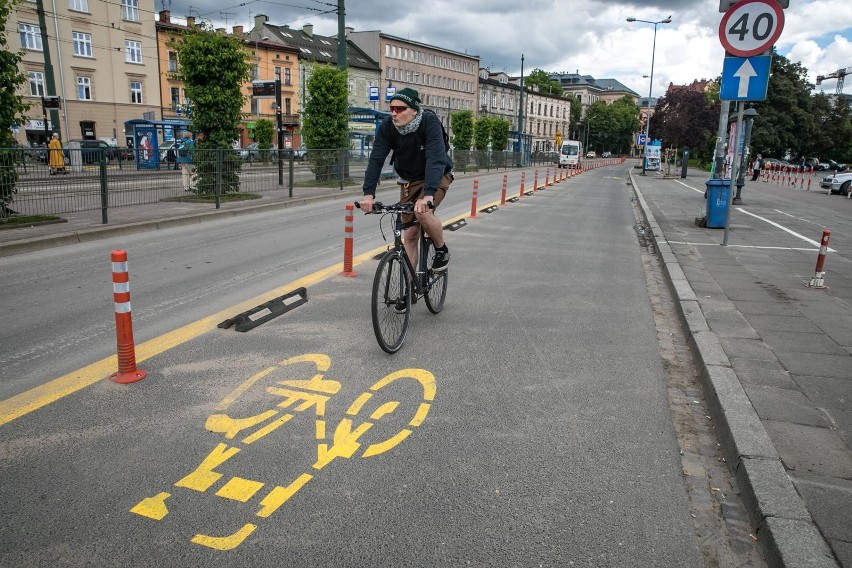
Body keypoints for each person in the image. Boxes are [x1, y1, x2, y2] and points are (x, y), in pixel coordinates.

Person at [359, 88, 453, 276]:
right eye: (392, 108)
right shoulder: (387, 126)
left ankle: (441, 250)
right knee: (409, 234)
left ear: (414, 110)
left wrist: (427, 196)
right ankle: (408, 289)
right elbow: (377, 159)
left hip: (436, 174)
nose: (394, 113)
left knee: (423, 213)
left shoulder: (429, 121)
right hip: (408, 180)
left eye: (400, 109)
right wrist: (368, 194)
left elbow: (435, 159)